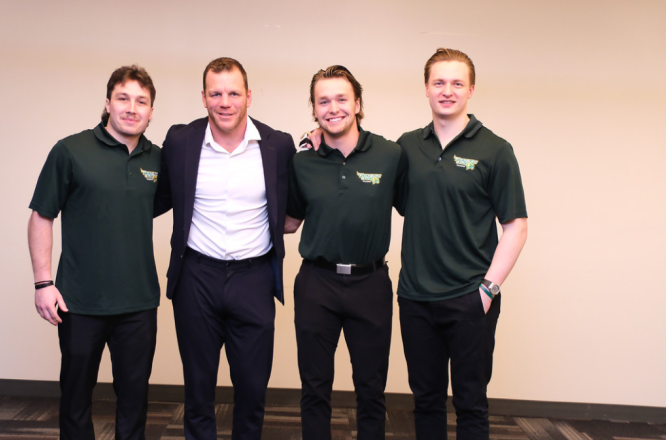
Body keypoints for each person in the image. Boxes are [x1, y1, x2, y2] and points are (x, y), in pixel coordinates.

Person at [154, 57, 296, 440]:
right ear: (203, 97)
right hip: (196, 277)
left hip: (253, 279)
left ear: (249, 96)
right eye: (215, 93)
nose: (225, 102)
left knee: (252, 389)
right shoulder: (180, 140)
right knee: (198, 389)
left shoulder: (278, 145)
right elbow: (153, 193)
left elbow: (295, 208)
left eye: (233, 93)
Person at [396, 48, 528, 439]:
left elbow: (516, 226)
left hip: (470, 298)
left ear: (471, 88)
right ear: (426, 88)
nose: (447, 91)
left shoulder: (495, 150)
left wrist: (487, 290)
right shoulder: (406, 147)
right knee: (426, 400)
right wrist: (314, 137)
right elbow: (359, 161)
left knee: (471, 403)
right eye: (439, 82)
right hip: (416, 299)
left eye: (457, 83)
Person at [27, 65, 160, 440]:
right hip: (79, 302)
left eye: (141, 101)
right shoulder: (70, 150)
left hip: (139, 304)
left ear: (151, 111)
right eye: (123, 98)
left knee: (135, 401)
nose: (132, 108)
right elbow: (41, 216)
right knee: (75, 397)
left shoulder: (158, 160)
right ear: (107, 103)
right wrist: (43, 283)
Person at [285, 65, 406, 440]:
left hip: (370, 283)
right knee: (315, 388)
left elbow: (416, 209)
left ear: (357, 103)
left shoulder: (390, 154)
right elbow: (289, 222)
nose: (333, 107)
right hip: (316, 284)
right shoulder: (302, 160)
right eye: (323, 101)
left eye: (341, 99)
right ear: (314, 108)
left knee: (371, 391)